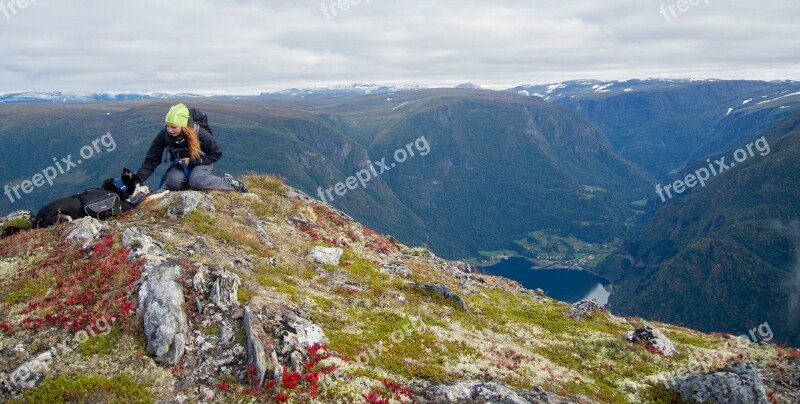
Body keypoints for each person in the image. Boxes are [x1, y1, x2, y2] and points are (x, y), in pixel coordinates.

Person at [135, 103, 248, 192]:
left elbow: (216, 153)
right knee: (173, 182)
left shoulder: (201, 133)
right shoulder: (164, 135)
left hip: (202, 162)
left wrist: (192, 161)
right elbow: (151, 160)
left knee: (196, 181)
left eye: (173, 127)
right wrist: (138, 179)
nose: (169, 130)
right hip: (181, 165)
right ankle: (191, 182)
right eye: (167, 126)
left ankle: (230, 183)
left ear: (184, 126)